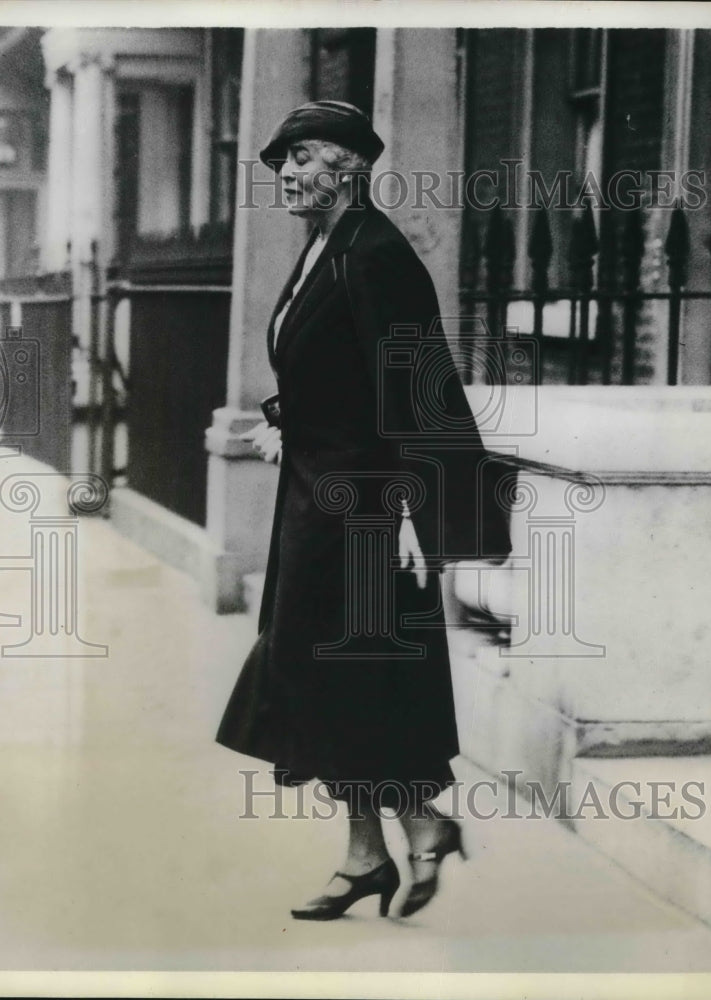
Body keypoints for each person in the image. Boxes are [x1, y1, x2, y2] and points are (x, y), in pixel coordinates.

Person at [216, 100, 511, 920]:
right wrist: (285, 421)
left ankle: (410, 830)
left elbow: (418, 387)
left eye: (303, 156)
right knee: (327, 672)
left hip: (369, 509)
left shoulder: (376, 252)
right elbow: (339, 371)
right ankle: (372, 851)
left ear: (349, 165)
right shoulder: (323, 249)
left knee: (332, 671)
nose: (286, 173)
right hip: (317, 492)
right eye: (282, 160)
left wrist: (422, 510)